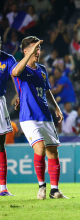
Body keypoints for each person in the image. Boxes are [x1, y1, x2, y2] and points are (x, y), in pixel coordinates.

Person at [11, 36, 67, 199]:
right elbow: (15, 73)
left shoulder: (42, 69)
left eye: (39, 49)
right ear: (25, 52)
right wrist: (28, 55)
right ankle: (41, 187)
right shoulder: (20, 68)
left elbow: (47, 90)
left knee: (53, 152)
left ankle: (55, 190)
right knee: (40, 148)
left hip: (45, 116)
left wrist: (56, 107)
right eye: (35, 49)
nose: (38, 52)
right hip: (28, 117)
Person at [0, 36, 16, 196]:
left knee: (0, 146)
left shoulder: (7, 59)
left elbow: (16, 75)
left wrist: (19, 94)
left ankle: (2, 188)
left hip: (0, 102)